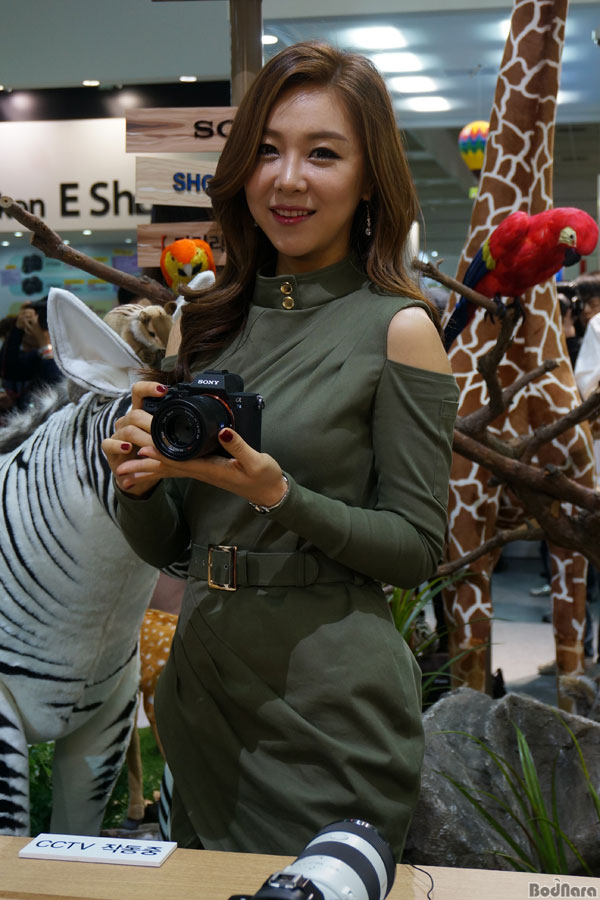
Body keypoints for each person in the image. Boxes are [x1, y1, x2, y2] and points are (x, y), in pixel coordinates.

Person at [102, 41, 459, 858]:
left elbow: (416, 550)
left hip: (329, 709)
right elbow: (177, 547)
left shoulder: (399, 329)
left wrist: (279, 494)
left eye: (322, 154)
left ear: (369, 179)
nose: (287, 179)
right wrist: (138, 485)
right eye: (267, 150)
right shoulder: (205, 323)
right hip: (202, 692)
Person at [0, 298, 62, 415]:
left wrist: (46, 344)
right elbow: (10, 370)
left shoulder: (74, 352)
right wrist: (17, 329)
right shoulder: (37, 355)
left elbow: (58, 385)